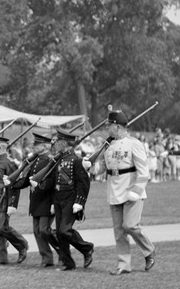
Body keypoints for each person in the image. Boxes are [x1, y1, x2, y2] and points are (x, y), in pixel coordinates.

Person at [102, 109, 155, 275]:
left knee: (130, 225)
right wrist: (90, 166)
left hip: (131, 190)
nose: (107, 128)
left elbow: (144, 172)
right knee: (119, 231)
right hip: (114, 189)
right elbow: (106, 167)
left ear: (117, 126)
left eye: (109, 125)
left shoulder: (134, 144)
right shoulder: (108, 145)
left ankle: (149, 250)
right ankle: (124, 264)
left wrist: (137, 190)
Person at [41, 128, 94, 270]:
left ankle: (87, 248)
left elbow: (84, 183)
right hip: (58, 198)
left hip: (70, 199)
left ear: (64, 143)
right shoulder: (59, 159)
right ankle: (68, 262)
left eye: (57, 141)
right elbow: (54, 182)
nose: (55, 143)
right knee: (59, 232)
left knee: (64, 230)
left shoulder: (76, 160)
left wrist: (80, 202)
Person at [11, 132, 60, 268]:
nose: (33, 146)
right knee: (37, 231)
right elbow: (27, 180)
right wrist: (12, 183)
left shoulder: (51, 160)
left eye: (36, 144)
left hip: (47, 199)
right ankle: (46, 258)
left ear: (45, 146)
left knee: (44, 230)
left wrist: (40, 185)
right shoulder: (35, 160)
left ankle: (62, 250)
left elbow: (52, 180)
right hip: (36, 199)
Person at [0, 135, 29, 265]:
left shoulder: (8, 163)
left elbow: (13, 186)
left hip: (3, 200)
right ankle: (2, 258)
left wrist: (12, 204)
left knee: (1, 227)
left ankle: (21, 244)